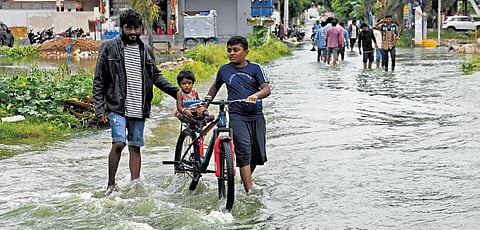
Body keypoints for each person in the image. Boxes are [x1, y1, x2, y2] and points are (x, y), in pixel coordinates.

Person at [93, 9, 179, 194]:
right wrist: (99, 109)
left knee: (135, 147)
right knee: (118, 143)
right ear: (121, 28)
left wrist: (176, 92)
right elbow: (99, 80)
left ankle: (135, 184)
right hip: (116, 105)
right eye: (128, 28)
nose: (133, 32)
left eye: (136, 28)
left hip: (139, 106)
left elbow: (155, 76)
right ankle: (111, 184)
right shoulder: (109, 47)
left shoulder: (146, 50)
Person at [205, 35, 271, 194]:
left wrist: (256, 95)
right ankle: (250, 191)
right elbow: (215, 87)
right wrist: (205, 104)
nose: (232, 53)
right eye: (229, 50)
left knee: (256, 154)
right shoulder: (224, 70)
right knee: (244, 151)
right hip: (236, 115)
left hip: (255, 115)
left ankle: (244, 180)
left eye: (236, 50)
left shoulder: (255, 68)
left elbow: (266, 89)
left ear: (246, 52)